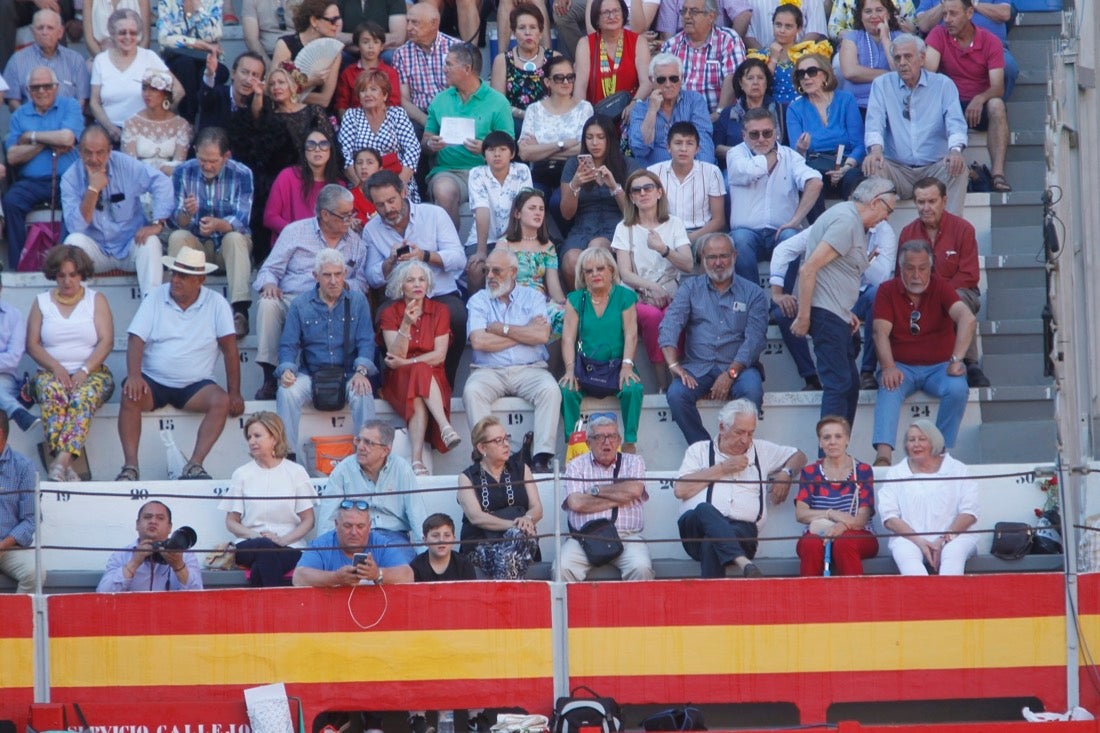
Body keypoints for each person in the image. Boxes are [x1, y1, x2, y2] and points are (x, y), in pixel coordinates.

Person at [115, 248, 245, 481]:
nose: (175, 279)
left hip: (196, 385)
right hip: (153, 381)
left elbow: (230, 349)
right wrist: (134, 376)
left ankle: (194, 465)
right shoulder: (156, 296)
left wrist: (235, 392)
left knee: (222, 400)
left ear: (200, 279)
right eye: (174, 273)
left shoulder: (216, 303)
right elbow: (136, 339)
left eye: (183, 276)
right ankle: (130, 467)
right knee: (130, 393)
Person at [790, 177, 897, 426]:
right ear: (875, 202)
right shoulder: (847, 221)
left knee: (848, 385)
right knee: (839, 385)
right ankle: (829, 456)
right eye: (888, 210)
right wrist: (804, 316)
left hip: (835, 313)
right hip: (824, 315)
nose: (887, 217)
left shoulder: (850, 220)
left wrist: (844, 311)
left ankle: (840, 450)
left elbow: (836, 272)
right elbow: (808, 269)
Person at [252, 184, 369, 400]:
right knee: (267, 304)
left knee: (358, 303)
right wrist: (269, 283)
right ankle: (271, 378)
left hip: (334, 303)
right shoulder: (295, 231)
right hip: (294, 299)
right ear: (325, 214)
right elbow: (269, 269)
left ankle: (347, 374)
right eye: (344, 215)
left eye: (351, 213)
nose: (350, 219)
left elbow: (362, 282)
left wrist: (344, 285)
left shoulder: (356, 243)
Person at [674, 399, 807, 578]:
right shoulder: (699, 451)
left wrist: (786, 474)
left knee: (711, 541)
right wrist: (722, 469)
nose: (745, 440)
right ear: (722, 427)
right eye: (739, 432)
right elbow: (680, 490)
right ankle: (743, 562)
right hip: (694, 531)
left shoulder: (761, 450)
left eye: (750, 433)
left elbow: (799, 456)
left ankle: (712, 601)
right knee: (703, 510)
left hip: (743, 533)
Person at [871, 240, 975, 465]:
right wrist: (888, 367)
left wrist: (957, 360)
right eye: (910, 268)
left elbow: (967, 318)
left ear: (931, 269)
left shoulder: (941, 287)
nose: (916, 275)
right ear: (901, 269)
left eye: (922, 268)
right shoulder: (887, 290)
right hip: (901, 366)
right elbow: (880, 332)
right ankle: (883, 456)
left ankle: (940, 454)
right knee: (889, 385)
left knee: (958, 388)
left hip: (939, 367)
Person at [659, 233, 768, 443]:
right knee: (676, 395)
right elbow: (670, 324)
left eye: (723, 256)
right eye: (711, 257)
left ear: (734, 256)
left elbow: (755, 340)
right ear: (703, 258)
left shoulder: (753, 293)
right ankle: (705, 449)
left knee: (752, 391)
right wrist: (673, 364)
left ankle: (734, 445)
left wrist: (731, 373)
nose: (718, 263)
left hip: (740, 367)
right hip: (698, 367)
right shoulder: (690, 288)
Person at [362, 170, 467, 385]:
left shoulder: (434, 214)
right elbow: (372, 278)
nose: (388, 209)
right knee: (383, 317)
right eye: (380, 205)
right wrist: (389, 262)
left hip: (439, 293)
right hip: (399, 297)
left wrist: (424, 255)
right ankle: (400, 383)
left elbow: (458, 259)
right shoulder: (371, 229)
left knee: (457, 315)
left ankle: (446, 382)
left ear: (404, 191)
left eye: (391, 200)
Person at [464, 249, 561, 474]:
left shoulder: (534, 297)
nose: (489, 276)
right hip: (488, 370)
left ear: (513, 272)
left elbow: (541, 337)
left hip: (530, 370)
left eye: (496, 271)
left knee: (550, 389)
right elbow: (479, 341)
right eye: (487, 270)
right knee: (472, 391)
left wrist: (501, 329)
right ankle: (485, 455)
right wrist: (523, 333)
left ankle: (541, 457)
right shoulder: (478, 300)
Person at [24, 246, 115, 482]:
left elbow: (107, 341)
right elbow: (32, 344)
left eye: (73, 274)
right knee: (53, 393)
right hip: (50, 371)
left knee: (82, 396)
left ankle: (60, 461)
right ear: (54, 275)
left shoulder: (96, 299)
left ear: (81, 274)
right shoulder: (41, 302)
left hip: (92, 372)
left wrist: (84, 370)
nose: (67, 281)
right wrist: (56, 367)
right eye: (61, 275)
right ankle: (67, 466)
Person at [276, 249, 377, 455]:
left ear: (345, 274)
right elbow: (288, 345)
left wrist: (362, 370)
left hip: (348, 373)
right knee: (286, 392)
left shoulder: (357, 301)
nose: (333, 280)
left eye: (338, 274)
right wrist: (287, 370)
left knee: (363, 390)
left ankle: (368, 452)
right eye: (327, 275)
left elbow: (366, 341)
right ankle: (287, 455)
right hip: (311, 374)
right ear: (316, 276)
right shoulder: (300, 304)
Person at [61, 125, 173, 299]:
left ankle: (151, 309)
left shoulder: (126, 165)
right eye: (88, 153)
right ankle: (79, 310)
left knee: (151, 242)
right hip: (96, 251)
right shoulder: (70, 178)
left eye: (100, 153)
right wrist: (92, 189)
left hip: (130, 245)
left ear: (110, 151)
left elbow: (162, 182)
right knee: (73, 242)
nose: (94, 159)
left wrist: (158, 224)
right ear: (79, 152)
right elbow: (76, 227)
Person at [862, 34, 968, 214]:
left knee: (958, 167)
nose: (902, 62)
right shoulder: (882, 84)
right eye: (897, 58)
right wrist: (875, 150)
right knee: (874, 164)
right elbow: (875, 122)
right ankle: (879, 235)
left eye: (908, 56)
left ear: (922, 58)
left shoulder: (943, 84)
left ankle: (950, 233)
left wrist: (955, 150)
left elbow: (955, 122)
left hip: (934, 170)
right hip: (897, 170)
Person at [898, 176, 989, 387]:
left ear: (945, 200)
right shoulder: (907, 233)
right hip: (918, 293)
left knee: (956, 301)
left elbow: (969, 275)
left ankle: (970, 363)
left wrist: (938, 295)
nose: (926, 207)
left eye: (932, 201)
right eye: (921, 202)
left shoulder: (963, 229)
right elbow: (901, 275)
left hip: (960, 291)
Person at [611, 169, 694, 391]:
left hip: (671, 290)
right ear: (631, 197)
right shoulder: (624, 227)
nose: (643, 193)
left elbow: (688, 264)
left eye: (648, 188)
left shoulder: (674, 223)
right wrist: (650, 288)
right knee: (652, 316)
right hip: (637, 292)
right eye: (636, 190)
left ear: (659, 192)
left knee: (671, 316)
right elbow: (624, 272)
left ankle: (676, 377)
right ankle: (661, 383)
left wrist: (663, 249)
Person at [168, 126, 255, 337]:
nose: (206, 165)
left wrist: (219, 224)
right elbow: (176, 220)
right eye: (202, 159)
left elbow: (242, 219)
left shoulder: (242, 174)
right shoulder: (182, 172)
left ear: (226, 156)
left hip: (229, 247)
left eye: (213, 161)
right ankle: (181, 306)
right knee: (177, 237)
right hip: (199, 246)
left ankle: (240, 313)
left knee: (235, 238)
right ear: (195, 152)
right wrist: (186, 215)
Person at [422, 43, 514, 233]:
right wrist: (431, 144)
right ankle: (451, 250)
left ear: (467, 69)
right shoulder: (440, 99)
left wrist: (485, 148)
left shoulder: (498, 102)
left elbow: (510, 146)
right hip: (449, 171)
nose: (444, 68)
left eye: (449, 64)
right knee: (443, 191)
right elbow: (425, 140)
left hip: (489, 172)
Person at [379, 262, 460, 475]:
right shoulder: (390, 313)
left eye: (421, 279)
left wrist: (407, 363)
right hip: (398, 379)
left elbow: (439, 355)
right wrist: (406, 323)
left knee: (420, 373)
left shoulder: (440, 310)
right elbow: (395, 355)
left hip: (433, 377)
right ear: (401, 286)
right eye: (410, 280)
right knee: (419, 372)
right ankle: (445, 428)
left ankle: (416, 460)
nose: (417, 284)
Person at [559, 248, 645, 450]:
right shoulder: (575, 299)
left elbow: (631, 334)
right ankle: (574, 445)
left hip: (616, 367)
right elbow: (568, 338)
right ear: (583, 276)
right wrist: (570, 369)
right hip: (586, 368)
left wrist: (627, 366)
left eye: (600, 269)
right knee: (566, 389)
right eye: (589, 271)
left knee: (633, 388)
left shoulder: (624, 296)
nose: (595, 274)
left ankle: (630, 441)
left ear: (611, 271)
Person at [220, 411, 317, 586]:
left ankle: (264, 607)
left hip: (289, 546)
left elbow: (308, 520)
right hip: (250, 544)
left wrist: (282, 540)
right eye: (249, 437)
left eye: (257, 436)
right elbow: (231, 522)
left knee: (263, 563)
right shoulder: (241, 474)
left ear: (274, 438)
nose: (251, 441)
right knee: (264, 548)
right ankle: (277, 609)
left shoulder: (296, 472)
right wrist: (256, 536)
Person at [727, 107, 823, 285]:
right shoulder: (735, 154)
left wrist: (795, 221)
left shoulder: (791, 156)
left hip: (780, 232)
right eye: (754, 134)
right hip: (747, 234)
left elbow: (815, 182)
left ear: (776, 133)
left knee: (792, 237)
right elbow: (751, 170)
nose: (762, 139)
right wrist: (772, 154)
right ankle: (753, 303)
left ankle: (782, 309)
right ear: (744, 136)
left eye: (767, 133)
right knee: (739, 239)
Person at [923, 0, 1011, 192]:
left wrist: (979, 99)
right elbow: (928, 73)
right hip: (948, 105)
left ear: (969, 13)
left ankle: (997, 174)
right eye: (944, 14)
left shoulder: (990, 41)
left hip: (977, 106)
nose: (947, 20)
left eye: (953, 14)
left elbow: (998, 87)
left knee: (996, 104)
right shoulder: (939, 34)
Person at [556, 414, 654, 581]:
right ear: (588, 443)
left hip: (627, 537)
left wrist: (595, 490)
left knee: (641, 567)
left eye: (612, 436)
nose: (607, 442)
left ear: (619, 440)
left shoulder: (634, 461)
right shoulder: (575, 465)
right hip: (585, 538)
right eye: (599, 437)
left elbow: (635, 491)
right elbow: (576, 503)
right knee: (562, 567)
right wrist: (621, 495)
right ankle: (572, 609)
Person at [3, 66, 82, 267]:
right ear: (28, 91)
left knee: (74, 205)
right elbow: (12, 156)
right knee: (11, 202)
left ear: (56, 87)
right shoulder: (20, 115)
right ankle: (18, 265)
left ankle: (65, 263)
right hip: (31, 182)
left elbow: (67, 138)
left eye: (46, 86)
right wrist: (48, 141)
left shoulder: (70, 105)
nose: (41, 91)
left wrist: (31, 136)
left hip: (67, 179)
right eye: (35, 87)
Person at [878, 419, 979, 575]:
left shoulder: (958, 469)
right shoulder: (896, 473)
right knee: (907, 558)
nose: (916, 444)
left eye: (922, 439)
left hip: (955, 536)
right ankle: (923, 599)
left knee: (952, 555)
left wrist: (943, 540)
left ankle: (949, 598)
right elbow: (889, 517)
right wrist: (920, 542)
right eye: (911, 440)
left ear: (934, 442)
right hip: (909, 538)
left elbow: (969, 512)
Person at [321, 420, 429, 563]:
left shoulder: (401, 468)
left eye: (368, 443)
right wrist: (324, 553)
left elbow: (417, 514)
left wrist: (426, 557)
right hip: (354, 537)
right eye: (358, 440)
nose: (360, 447)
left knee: (402, 570)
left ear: (385, 450)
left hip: (394, 538)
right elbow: (328, 515)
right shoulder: (343, 469)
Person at [558, 115, 640, 291]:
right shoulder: (573, 165)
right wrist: (575, 185)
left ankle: (603, 304)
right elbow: (566, 213)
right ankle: (582, 306)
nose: (594, 143)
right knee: (572, 260)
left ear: (610, 139)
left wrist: (614, 186)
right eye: (589, 137)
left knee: (596, 250)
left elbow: (634, 215)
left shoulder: (627, 164)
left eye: (600, 137)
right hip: (582, 227)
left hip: (616, 228)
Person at [456, 416, 543, 579]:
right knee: (509, 555)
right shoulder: (467, 477)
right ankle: (512, 596)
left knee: (518, 539)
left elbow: (537, 508)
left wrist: (527, 518)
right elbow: (476, 517)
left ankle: (505, 599)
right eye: (498, 440)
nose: (506, 444)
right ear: (482, 448)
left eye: (506, 438)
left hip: (521, 540)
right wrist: (514, 525)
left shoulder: (522, 469)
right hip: (481, 543)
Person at [794, 416, 877, 576]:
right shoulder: (810, 472)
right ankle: (810, 599)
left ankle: (854, 598)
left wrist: (843, 526)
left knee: (844, 542)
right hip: (819, 532)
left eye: (838, 436)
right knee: (810, 544)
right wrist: (831, 513)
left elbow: (861, 520)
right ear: (820, 442)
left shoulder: (863, 470)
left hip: (858, 534)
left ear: (847, 440)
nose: (832, 442)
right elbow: (801, 514)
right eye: (826, 437)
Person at [786, 53, 864, 210]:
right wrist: (801, 149)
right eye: (801, 74)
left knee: (854, 178)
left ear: (825, 74)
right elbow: (796, 156)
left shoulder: (845, 99)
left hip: (846, 164)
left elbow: (860, 145)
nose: (806, 77)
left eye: (812, 71)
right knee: (810, 180)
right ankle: (818, 231)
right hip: (815, 166)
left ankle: (852, 228)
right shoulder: (794, 109)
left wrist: (846, 167)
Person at [89, 9, 178, 146]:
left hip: (144, 133)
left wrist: (159, 116)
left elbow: (178, 90)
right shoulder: (101, 60)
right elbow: (94, 102)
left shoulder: (149, 57)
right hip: (109, 133)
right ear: (112, 34)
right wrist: (110, 128)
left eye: (133, 32)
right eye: (122, 32)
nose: (128, 37)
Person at [337, 68, 421, 201]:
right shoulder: (351, 116)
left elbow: (413, 149)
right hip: (362, 181)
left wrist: (400, 183)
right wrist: (362, 186)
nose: (367, 94)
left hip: (397, 178)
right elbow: (345, 155)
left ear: (385, 95)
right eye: (363, 90)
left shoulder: (397, 114)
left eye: (373, 89)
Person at [465, 131, 533, 291]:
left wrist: (503, 244)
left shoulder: (522, 171)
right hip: (482, 240)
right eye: (491, 150)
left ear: (512, 153)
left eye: (502, 149)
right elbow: (482, 210)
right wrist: (481, 252)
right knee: (476, 269)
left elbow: (522, 210)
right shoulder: (477, 173)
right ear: (484, 154)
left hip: (515, 237)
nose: (497, 154)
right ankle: (476, 313)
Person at [517, 55, 593, 193]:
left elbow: (583, 149)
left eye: (570, 77)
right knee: (530, 201)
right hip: (539, 175)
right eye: (559, 78)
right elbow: (524, 153)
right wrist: (561, 144)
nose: (566, 82)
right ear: (547, 82)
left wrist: (540, 149)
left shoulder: (584, 108)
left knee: (558, 203)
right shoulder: (534, 110)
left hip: (573, 174)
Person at [496, 189, 567, 336]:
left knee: (566, 315)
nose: (538, 213)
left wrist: (565, 304)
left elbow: (553, 287)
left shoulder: (548, 247)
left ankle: (554, 359)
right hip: (511, 301)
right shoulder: (504, 245)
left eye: (541, 209)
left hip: (540, 302)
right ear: (517, 213)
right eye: (532, 208)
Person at [292, 502, 415, 586]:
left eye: (360, 526)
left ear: (369, 526)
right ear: (336, 524)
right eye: (347, 526)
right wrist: (335, 578)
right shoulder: (322, 544)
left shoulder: (380, 542)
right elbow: (298, 577)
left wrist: (378, 574)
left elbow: (407, 575)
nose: (354, 532)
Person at [648, 122, 727, 249]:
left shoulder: (712, 172)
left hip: (701, 233)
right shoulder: (653, 172)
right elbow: (647, 214)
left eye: (689, 143)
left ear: (697, 149)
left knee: (710, 247)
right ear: (668, 147)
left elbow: (719, 220)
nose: (683, 149)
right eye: (678, 143)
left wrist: (687, 239)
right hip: (664, 232)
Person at [659, 0, 745, 115]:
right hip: (679, 119)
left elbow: (733, 79)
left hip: (718, 117)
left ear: (711, 16)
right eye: (684, 11)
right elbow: (660, 83)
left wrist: (719, 113)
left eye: (693, 12)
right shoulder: (671, 45)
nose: (687, 16)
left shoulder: (728, 39)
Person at [915, 0, 1016, 98]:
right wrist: (947, 3)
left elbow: (1005, 13)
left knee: (1008, 67)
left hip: (990, 47)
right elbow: (923, 24)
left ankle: (990, 106)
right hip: (946, 47)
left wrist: (973, 4)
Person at [628, 53, 715, 166]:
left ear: (681, 78)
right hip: (654, 177)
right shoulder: (640, 109)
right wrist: (652, 111)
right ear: (651, 80)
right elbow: (639, 149)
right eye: (661, 80)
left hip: (690, 173)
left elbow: (704, 143)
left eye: (673, 78)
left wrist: (702, 174)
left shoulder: (694, 101)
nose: (668, 84)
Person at [96, 501, 203, 592]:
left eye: (160, 518)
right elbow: (103, 594)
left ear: (170, 527)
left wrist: (179, 566)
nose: (153, 521)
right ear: (137, 524)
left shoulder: (186, 555)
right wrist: (134, 563)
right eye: (147, 517)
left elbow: (199, 596)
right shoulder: (121, 555)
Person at [264, 127, 344, 240]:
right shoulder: (287, 176)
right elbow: (270, 217)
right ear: (304, 151)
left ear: (330, 150)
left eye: (323, 144)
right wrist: (299, 234)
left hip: (325, 246)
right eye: (311, 145)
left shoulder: (338, 186)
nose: (317, 149)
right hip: (291, 243)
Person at [490, 1, 557, 134]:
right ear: (514, 32)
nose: (528, 32)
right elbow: (498, 105)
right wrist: (525, 115)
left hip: (549, 122)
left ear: (541, 32)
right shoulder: (502, 61)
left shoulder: (555, 58)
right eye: (522, 28)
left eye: (533, 27)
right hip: (515, 123)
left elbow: (562, 99)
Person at [573, 0, 653, 109]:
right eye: (606, 12)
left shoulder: (639, 41)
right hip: (596, 116)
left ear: (623, 13)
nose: (612, 16)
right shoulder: (585, 44)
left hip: (630, 114)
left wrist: (633, 104)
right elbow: (580, 88)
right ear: (596, 18)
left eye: (616, 11)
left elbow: (646, 83)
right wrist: (583, 116)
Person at [392, 3, 460, 130]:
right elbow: (403, 100)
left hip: (454, 115)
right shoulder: (401, 53)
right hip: (420, 117)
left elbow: (465, 91)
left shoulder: (456, 48)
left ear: (434, 23)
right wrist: (428, 122)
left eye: (415, 23)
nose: (408, 28)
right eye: (408, 22)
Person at [3, 9, 89, 108]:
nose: (45, 32)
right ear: (33, 32)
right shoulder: (17, 60)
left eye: (50, 28)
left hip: (67, 121)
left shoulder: (76, 60)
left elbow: (81, 100)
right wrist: (27, 121)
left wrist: (68, 121)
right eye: (40, 28)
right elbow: (13, 101)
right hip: (30, 121)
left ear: (60, 32)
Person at [157, 0, 225, 124]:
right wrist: (199, 43)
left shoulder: (214, 1)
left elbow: (214, 33)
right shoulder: (167, 2)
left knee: (212, 72)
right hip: (178, 58)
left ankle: (208, 125)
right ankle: (188, 123)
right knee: (185, 66)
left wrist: (198, 7)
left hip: (207, 57)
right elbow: (164, 38)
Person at [269, 0, 342, 108]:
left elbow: (324, 99)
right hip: (286, 110)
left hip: (318, 112)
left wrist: (290, 93)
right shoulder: (285, 45)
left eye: (339, 18)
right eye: (332, 20)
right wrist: (310, 81)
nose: (337, 24)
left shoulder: (334, 51)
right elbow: (273, 89)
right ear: (314, 21)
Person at [122, 68, 193, 176]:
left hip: (170, 182)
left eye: (153, 89)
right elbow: (129, 164)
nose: (147, 93)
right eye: (144, 88)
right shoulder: (132, 123)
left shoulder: (181, 125)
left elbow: (180, 165)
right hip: (139, 180)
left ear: (165, 94)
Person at [713, 58, 784, 162]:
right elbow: (717, 149)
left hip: (774, 168)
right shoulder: (728, 113)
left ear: (766, 83)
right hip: (737, 169)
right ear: (741, 83)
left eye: (760, 78)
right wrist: (745, 153)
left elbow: (788, 147)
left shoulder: (781, 110)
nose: (755, 82)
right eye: (750, 78)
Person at [0, 412, 41, 594]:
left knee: (35, 573)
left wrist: (2, 545)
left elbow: (31, 519)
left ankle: (15, 621)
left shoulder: (23, 466)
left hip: (8, 547)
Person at [837, 0, 904, 110]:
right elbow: (850, 72)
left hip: (892, 105)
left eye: (879, 10)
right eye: (868, 11)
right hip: (857, 104)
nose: (874, 15)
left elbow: (899, 69)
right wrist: (889, 74)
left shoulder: (899, 38)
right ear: (861, 16)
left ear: (889, 14)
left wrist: (885, 38)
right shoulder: (852, 37)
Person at [334, 22, 401, 118]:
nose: (371, 46)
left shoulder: (390, 73)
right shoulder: (348, 73)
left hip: (384, 123)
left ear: (382, 46)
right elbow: (342, 105)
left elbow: (394, 104)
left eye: (376, 42)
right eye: (365, 42)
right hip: (355, 123)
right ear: (358, 46)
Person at [195, 50, 266, 135]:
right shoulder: (217, 93)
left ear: (261, 81)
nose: (248, 80)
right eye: (244, 72)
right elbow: (204, 98)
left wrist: (258, 96)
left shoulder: (261, 101)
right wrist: (210, 75)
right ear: (233, 74)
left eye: (255, 75)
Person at [0, 273, 37, 433]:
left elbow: (13, 358)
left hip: (5, 380)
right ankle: (17, 411)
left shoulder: (13, 316)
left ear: (1, 289)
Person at [411, 512, 476, 581]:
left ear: (453, 539)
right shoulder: (416, 566)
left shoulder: (464, 564)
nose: (441, 540)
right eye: (435, 536)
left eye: (447, 535)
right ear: (425, 540)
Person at [83, 0, 151, 57]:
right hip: (101, 57)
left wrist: (134, 63)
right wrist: (104, 62)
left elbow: (145, 39)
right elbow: (89, 39)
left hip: (136, 59)